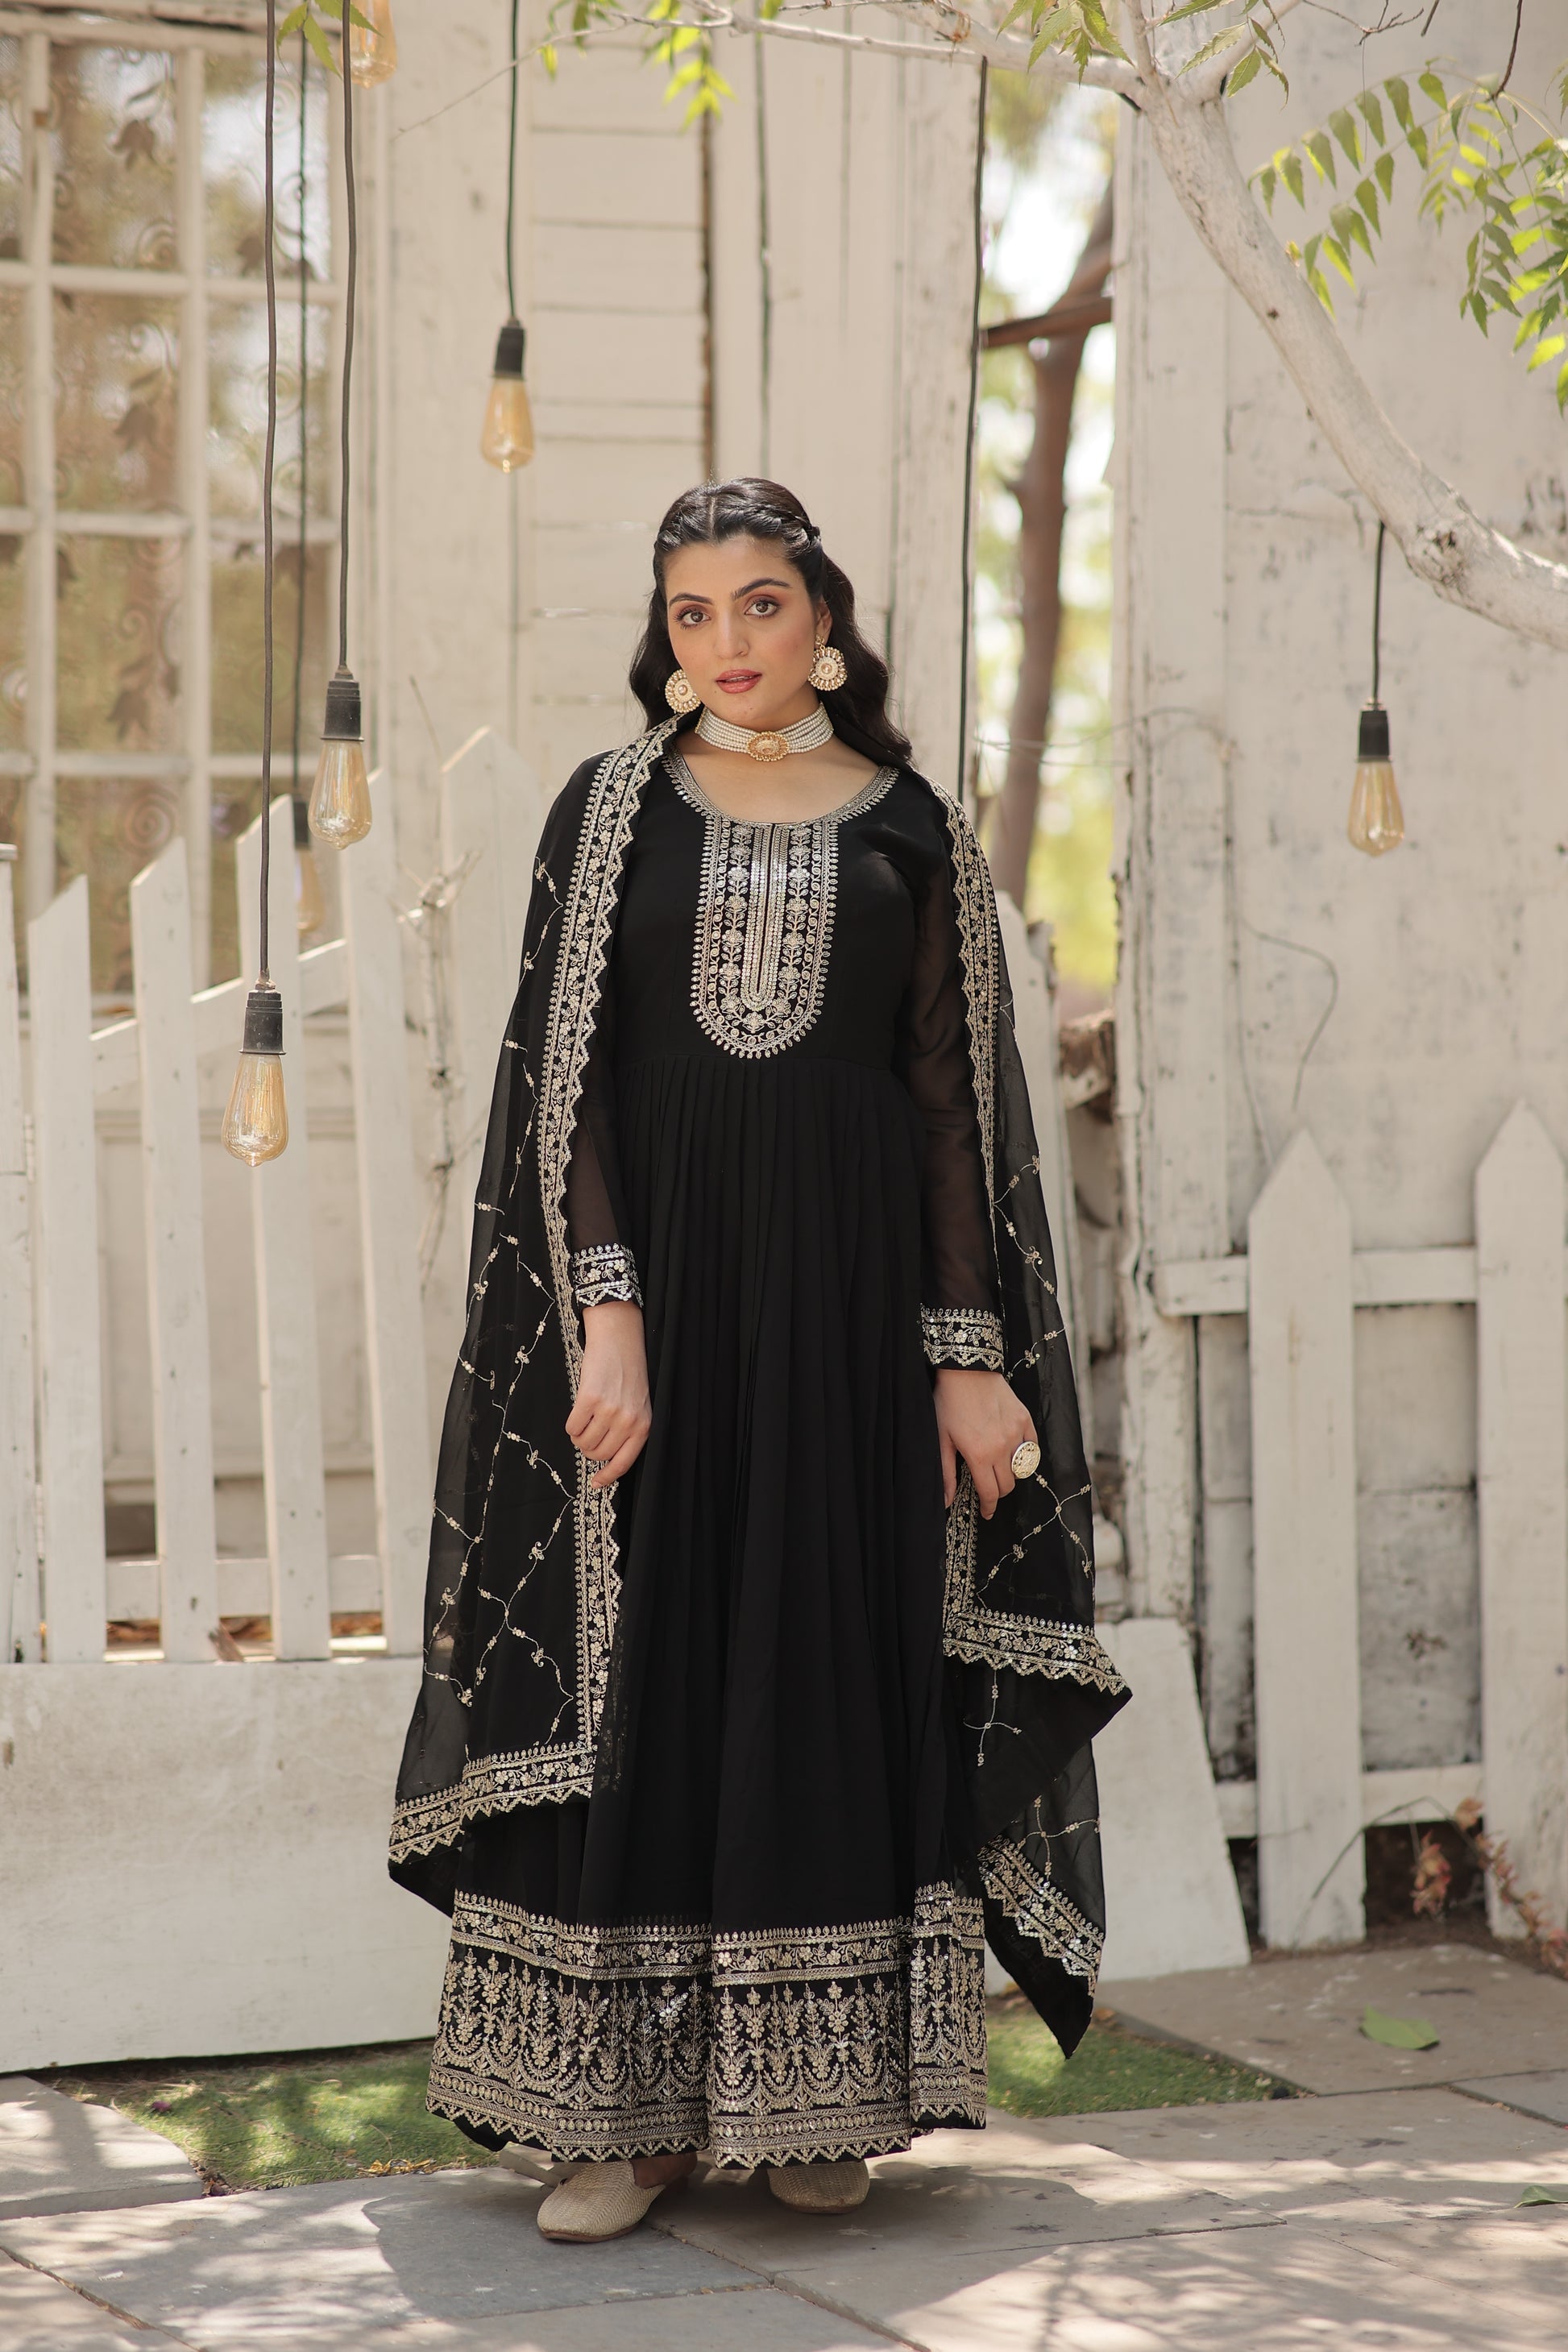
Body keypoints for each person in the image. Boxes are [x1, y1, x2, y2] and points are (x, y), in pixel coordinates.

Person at [389, 478, 1130, 2245]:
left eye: (761, 603)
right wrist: (610, 1312)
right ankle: (612, 2125)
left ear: (825, 619)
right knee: (645, 1655)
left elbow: (952, 1112)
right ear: (664, 632)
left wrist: (966, 1358)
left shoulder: (912, 825)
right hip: (662, 1309)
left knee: (826, 1648)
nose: (725, 640)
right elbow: (565, 1085)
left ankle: (828, 2097)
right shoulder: (609, 810)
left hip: (856, 1318)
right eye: (692, 610)